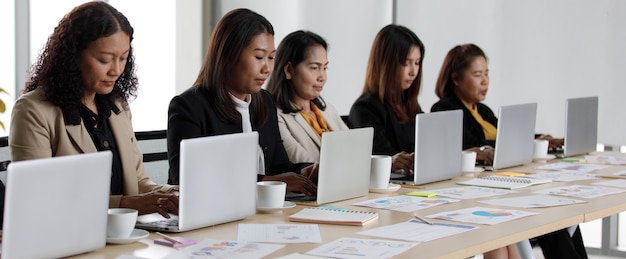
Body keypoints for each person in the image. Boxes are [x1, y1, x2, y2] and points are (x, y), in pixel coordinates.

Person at [9, 1, 178, 218]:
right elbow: (42, 198)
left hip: (126, 238)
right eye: (105, 60)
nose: (116, 70)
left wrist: (170, 193)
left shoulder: (117, 106)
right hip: (69, 241)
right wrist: (127, 204)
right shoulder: (33, 111)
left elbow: (137, 181)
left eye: (123, 58)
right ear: (73, 56)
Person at [431, 43, 586, 259]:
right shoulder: (445, 109)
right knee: (552, 222)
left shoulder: (482, 110)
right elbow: (469, 146)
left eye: (487, 73)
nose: (485, 81)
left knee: (563, 218)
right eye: (477, 74)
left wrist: (539, 139)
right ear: (456, 79)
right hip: (482, 194)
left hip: (503, 185)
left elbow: (504, 138)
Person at [166, 8, 317, 196]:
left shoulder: (265, 101)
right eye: (259, 57)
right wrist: (272, 181)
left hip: (262, 212)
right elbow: (189, 180)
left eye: (271, 57)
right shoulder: (189, 107)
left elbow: (278, 166)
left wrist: (305, 171)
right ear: (229, 55)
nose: (267, 68)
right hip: (211, 217)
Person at [348, 24, 422, 174]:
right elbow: (380, 157)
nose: (413, 72)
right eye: (406, 63)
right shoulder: (365, 108)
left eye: (417, 62)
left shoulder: (409, 104)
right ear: (386, 63)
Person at [266, 30, 349, 163]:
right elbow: (306, 167)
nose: (322, 77)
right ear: (289, 70)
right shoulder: (276, 117)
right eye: (314, 68)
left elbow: (356, 151)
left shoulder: (328, 110)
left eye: (325, 68)